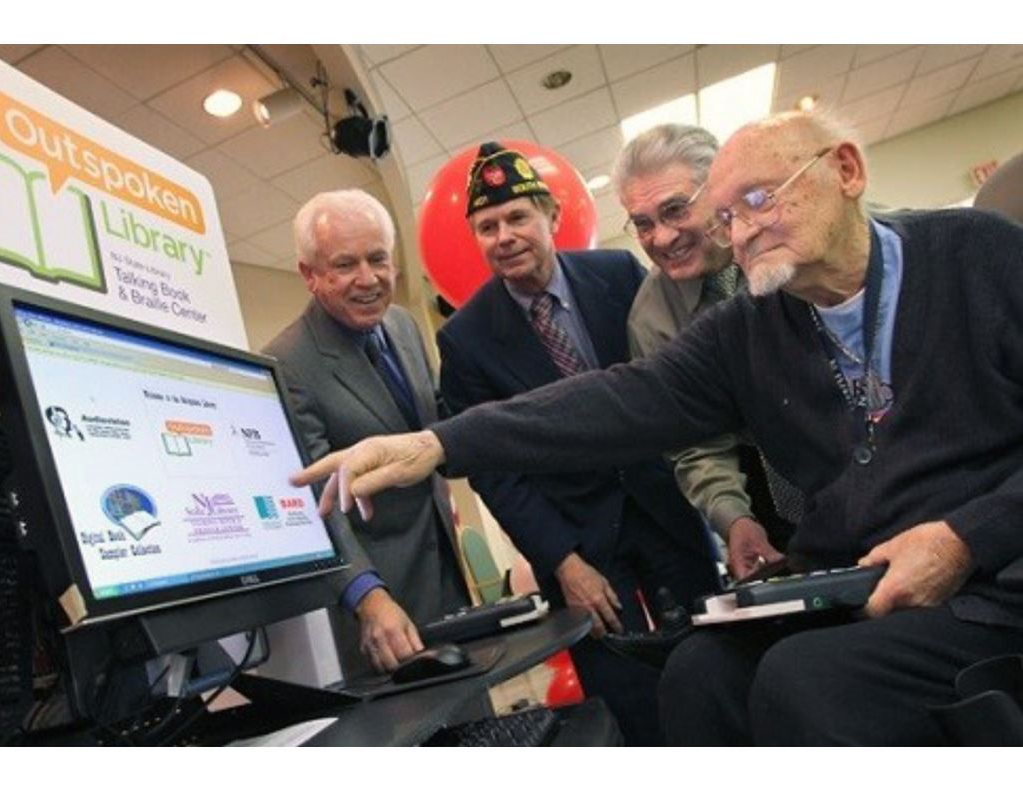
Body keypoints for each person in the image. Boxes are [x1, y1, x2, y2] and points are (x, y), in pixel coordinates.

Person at [292, 110, 1023, 745]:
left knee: (806, 680)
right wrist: (439, 443)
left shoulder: (979, 255)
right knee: (698, 672)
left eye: (758, 200)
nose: (742, 233)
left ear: (846, 171)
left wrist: (966, 536)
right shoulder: (750, 326)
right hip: (859, 579)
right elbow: (620, 399)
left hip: (991, 573)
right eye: (728, 218)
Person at [435, 141, 717, 744]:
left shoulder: (618, 276)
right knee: (629, 706)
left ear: (552, 217)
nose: (504, 237)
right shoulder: (466, 339)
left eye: (517, 217)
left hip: (666, 512)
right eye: (487, 226)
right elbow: (495, 473)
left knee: (716, 671)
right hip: (577, 548)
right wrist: (563, 562)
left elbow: (672, 386)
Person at [263, 189, 468, 673]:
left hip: (446, 572)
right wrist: (368, 595)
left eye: (378, 259)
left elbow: (432, 425)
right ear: (310, 275)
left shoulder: (403, 325)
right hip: (382, 605)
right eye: (345, 264)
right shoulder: (285, 363)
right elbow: (313, 501)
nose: (368, 278)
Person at [614, 123, 796, 578]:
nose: (661, 238)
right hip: (763, 492)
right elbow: (692, 440)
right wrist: (733, 518)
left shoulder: (785, 242)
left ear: (718, 191)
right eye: (643, 224)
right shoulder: (650, 317)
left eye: (675, 210)